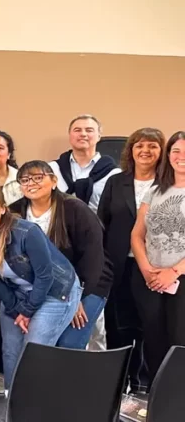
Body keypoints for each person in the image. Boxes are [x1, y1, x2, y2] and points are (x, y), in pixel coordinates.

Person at [0, 182, 82, 391]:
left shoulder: (26, 232)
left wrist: (27, 311)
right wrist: (14, 309)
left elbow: (45, 276)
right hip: (17, 291)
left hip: (54, 291)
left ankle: (32, 405)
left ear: (2, 208)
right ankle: (13, 403)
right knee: (10, 350)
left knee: (33, 349)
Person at [10, 161, 112, 351]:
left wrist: (76, 298)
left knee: (69, 342)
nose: (31, 183)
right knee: (40, 340)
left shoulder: (75, 209)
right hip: (46, 285)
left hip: (88, 282)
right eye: (24, 180)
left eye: (38, 177)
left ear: (54, 181)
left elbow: (93, 258)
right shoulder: (14, 212)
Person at [98, 127, 164, 392]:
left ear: (162, 151)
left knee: (150, 325)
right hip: (119, 265)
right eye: (139, 145)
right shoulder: (116, 182)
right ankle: (120, 381)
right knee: (118, 326)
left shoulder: (170, 184)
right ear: (131, 150)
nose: (145, 151)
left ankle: (146, 384)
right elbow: (102, 222)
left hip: (156, 267)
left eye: (152, 146)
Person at [129, 131, 185, 380]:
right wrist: (146, 269)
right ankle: (154, 396)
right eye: (176, 151)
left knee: (179, 340)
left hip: (180, 279)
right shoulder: (155, 190)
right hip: (150, 279)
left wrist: (173, 272)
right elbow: (137, 234)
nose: (180, 157)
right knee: (152, 339)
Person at [48, 115, 120, 213]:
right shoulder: (51, 169)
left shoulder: (114, 174)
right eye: (77, 130)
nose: (83, 134)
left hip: (98, 227)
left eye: (89, 130)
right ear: (70, 135)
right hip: (58, 226)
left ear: (99, 136)